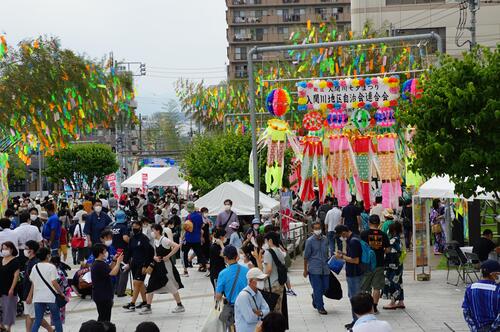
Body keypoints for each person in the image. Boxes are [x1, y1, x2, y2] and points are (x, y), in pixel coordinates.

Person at [140, 224, 184, 315]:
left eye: (153, 230)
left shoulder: (164, 240)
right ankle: (148, 306)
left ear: (158, 231)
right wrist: (155, 257)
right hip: (157, 265)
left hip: (166, 266)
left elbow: (177, 246)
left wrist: (168, 256)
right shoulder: (156, 240)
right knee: (151, 284)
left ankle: (180, 305)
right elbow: (156, 253)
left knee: (170, 284)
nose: (152, 232)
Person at [27, 247, 64, 332]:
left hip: (38, 297)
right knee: (56, 319)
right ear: (48, 255)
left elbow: (33, 282)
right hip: (50, 297)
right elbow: (54, 282)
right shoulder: (51, 267)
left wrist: (30, 296)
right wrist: (61, 293)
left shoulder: (35, 267)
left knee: (38, 320)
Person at [335, 224, 363, 330]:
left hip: (355, 274)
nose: (341, 238)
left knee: (355, 299)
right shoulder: (351, 239)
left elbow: (355, 260)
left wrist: (341, 257)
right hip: (352, 273)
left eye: (340, 236)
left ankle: (357, 322)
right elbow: (351, 255)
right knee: (352, 297)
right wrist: (343, 253)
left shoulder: (353, 241)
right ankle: (355, 320)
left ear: (343, 233)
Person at [360, 215, 390, 314]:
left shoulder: (364, 234)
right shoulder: (383, 234)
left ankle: (366, 307)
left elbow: (360, 248)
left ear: (369, 222)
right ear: (378, 223)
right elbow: (388, 249)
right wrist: (382, 251)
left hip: (367, 264)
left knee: (365, 287)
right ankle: (375, 307)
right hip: (380, 263)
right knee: (377, 287)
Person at [215, 245, 249, 330]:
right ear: (237, 256)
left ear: (226, 258)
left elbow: (218, 296)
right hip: (246, 306)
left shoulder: (223, 274)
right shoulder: (246, 270)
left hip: (232, 309)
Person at [122, 220, 153, 312]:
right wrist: (126, 262)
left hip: (142, 264)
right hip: (134, 264)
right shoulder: (132, 238)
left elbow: (149, 252)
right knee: (140, 283)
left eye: (136, 226)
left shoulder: (144, 239)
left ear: (140, 227)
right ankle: (145, 302)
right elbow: (129, 251)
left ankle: (132, 304)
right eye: (133, 226)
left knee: (136, 283)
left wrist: (145, 265)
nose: (134, 228)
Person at [22, 241, 53, 332]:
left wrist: (29, 295)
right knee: (29, 314)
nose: (24, 250)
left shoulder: (34, 263)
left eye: (26, 248)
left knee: (34, 316)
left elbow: (34, 282)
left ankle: (50, 329)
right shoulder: (29, 262)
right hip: (27, 292)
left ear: (32, 250)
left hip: (31, 293)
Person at [462, 260, 500, 332]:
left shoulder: (470, 288)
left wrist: (474, 328)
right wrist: (492, 329)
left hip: (478, 327)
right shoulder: (498, 290)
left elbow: (466, 312)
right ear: (493, 274)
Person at [90, 243, 123, 322]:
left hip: (101, 295)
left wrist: (114, 260)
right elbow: (113, 273)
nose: (106, 253)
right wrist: (118, 262)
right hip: (103, 296)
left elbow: (109, 269)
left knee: (103, 316)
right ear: (100, 253)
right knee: (104, 319)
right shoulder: (99, 265)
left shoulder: (99, 263)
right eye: (105, 251)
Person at [303, 222, 330, 315]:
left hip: (325, 268)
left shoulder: (325, 239)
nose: (318, 230)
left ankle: (315, 297)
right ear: (312, 230)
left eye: (319, 228)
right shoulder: (309, 241)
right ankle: (320, 306)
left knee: (326, 287)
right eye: (316, 228)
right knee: (318, 288)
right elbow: (306, 256)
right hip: (314, 268)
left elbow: (327, 253)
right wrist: (305, 269)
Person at [234, 268, 270, 332]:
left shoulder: (258, 293)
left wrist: (260, 313)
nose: (262, 281)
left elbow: (268, 310)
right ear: (251, 281)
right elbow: (250, 318)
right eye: (259, 279)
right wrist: (262, 314)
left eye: (262, 279)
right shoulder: (243, 296)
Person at [382, 222, 405, 310]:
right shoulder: (399, 240)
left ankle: (392, 302)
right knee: (399, 282)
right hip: (399, 264)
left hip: (391, 265)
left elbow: (387, 251)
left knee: (392, 282)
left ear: (393, 231)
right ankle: (401, 301)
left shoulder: (392, 241)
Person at [263, 231, 286, 314]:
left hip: (271, 285)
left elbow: (269, 269)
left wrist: (262, 278)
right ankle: (279, 326)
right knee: (278, 308)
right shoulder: (280, 251)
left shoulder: (268, 252)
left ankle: (274, 326)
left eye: (266, 240)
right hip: (280, 284)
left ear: (270, 241)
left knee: (271, 310)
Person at [109, 210, 130, 297]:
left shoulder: (113, 227)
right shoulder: (123, 227)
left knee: (116, 270)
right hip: (123, 251)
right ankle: (121, 291)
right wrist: (131, 241)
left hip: (114, 251)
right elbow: (125, 238)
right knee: (124, 270)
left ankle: (116, 289)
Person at [182, 202, 207, 276]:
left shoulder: (189, 217)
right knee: (200, 254)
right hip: (197, 238)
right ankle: (208, 267)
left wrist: (182, 238)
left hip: (189, 238)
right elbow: (201, 226)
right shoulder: (199, 216)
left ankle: (185, 271)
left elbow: (186, 228)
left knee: (185, 254)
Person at [0, 241, 20, 332]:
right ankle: (2, 326)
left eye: (6, 248)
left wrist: (12, 288)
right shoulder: (0, 259)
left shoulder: (15, 261)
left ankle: (8, 328)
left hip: (9, 288)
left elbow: (16, 276)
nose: (4, 250)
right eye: (3, 248)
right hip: (1, 287)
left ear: (11, 249)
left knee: (8, 309)